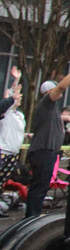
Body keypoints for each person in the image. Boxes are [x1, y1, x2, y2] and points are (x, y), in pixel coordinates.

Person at [26, 65, 70, 217]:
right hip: (44, 150)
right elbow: (63, 86)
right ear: (49, 92)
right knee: (39, 187)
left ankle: (32, 216)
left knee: (40, 186)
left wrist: (67, 118)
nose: (60, 92)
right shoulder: (47, 102)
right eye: (55, 90)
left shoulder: (51, 109)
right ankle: (31, 217)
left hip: (46, 150)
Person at [0, 68, 24, 217]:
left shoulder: (19, 115)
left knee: (2, 180)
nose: (19, 99)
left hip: (13, 153)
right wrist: (16, 80)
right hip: (3, 151)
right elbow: (6, 98)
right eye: (17, 97)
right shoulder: (7, 113)